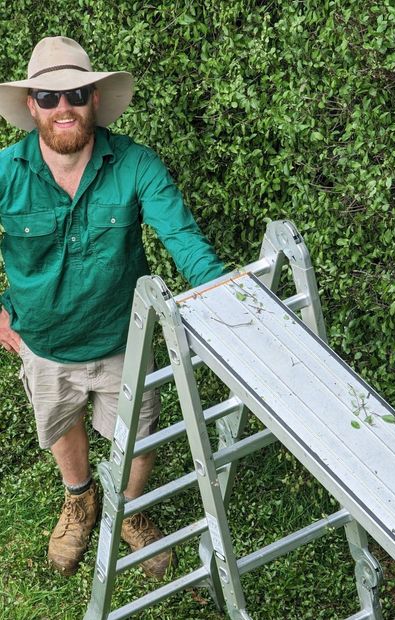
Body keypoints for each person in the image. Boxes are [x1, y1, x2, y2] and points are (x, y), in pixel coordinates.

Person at [0, 36, 226, 578]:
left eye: (75, 93)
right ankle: (80, 500)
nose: (63, 108)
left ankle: (128, 506)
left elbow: (187, 242)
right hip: (44, 342)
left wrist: (226, 301)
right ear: (31, 106)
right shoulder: (6, 171)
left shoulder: (135, 164)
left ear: (95, 97)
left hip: (124, 340)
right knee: (61, 426)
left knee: (139, 435)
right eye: (49, 98)